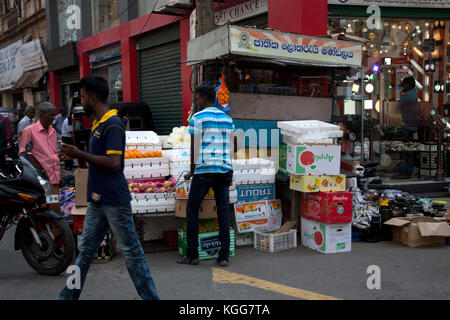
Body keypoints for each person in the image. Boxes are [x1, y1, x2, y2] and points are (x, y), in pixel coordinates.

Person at [58, 75, 159, 300]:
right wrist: (75, 154)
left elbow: (114, 163)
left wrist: (79, 153)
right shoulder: (98, 122)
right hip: (97, 199)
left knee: (132, 253)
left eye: (83, 96)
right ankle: (67, 297)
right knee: (85, 252)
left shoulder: (112, 124)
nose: (81, 101)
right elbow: (98, 159)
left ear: (92, 97)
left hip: (114, 199)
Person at [178, 85, 237, 267]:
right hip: (224, 169)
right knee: (223, 210)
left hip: (204, 169)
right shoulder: (228, 119)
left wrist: (191, 170)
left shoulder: (198, 118)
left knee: (192, 209)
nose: (196, 101)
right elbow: (234, 144)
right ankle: (224, 256)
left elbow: (194, 148)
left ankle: (192, 255)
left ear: (203, 98)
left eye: (196, 98)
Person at [19, 102, 62, 211]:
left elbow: (52, 154)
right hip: (41, 181)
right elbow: (23, 154)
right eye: (50, 115)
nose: (53, 118)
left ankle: (53, 228)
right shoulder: (29, 131)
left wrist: (58, 175)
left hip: (53, 179)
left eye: (54, 115)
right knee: (43, 210)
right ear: (42, 114)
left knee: (54, 209)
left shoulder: (52, 131)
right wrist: (41, 169)